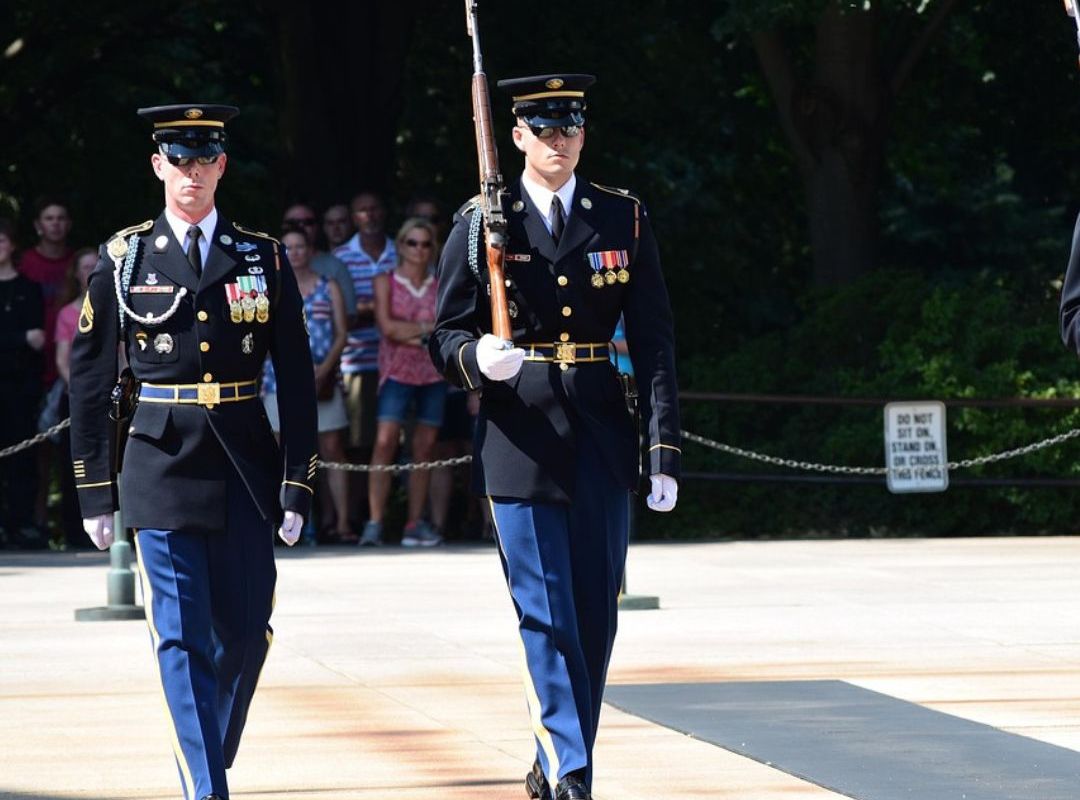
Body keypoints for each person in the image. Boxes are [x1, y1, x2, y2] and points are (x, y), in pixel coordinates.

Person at [429, 74, 680, 800]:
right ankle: (574, 773)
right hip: (520, 436)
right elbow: (442, 334)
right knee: (545, 613)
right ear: (516, 138)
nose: (559, 141)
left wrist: (663, 448)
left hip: (602, 432)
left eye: (569, 126)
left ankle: (553, 757)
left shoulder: (621, 219)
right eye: (543, 129)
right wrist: (476, 358)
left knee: (594, 619)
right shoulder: (483, 222)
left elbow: (656, 341)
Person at [68, 103, 317, 800]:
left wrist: (298, 480)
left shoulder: (261, 257)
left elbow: (295, 378)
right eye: (179, 159)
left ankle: (206, 753)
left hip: (243, 462)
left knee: (243, 635)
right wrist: (94, 489)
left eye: (205, 158)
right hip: (160, 463)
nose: (192, 172)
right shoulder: (125, 259)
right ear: (157, 166)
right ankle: (206, 788)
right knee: (179, 638)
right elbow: (87, 383)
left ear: (222, 167)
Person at [262, 227, 352, 543]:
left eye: (300, 247)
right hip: (275, 380)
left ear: (311, 250)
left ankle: (339, 523)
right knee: (276, 451)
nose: (295, 253)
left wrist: (323, 370)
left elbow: (342, 332)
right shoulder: (272, 286)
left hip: (324, 380)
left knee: (331, 450)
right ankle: (278, 520)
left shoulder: (329, 287)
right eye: (288, 248)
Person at [364, 218, 447, 547]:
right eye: (412, 243)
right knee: (384, 443)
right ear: (400, 245)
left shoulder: (439, 284)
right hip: (395, 372)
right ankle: (374, 522)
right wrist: (424, 330)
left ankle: (414, 522)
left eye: (425, 244)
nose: (419, 250)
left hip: (432, 374)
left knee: (425, 448)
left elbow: (440, 329)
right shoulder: (385, 281)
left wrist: (413, 332)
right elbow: (387, 328)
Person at [333, 190, 396, 526]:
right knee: (358, 444)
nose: (369, 216)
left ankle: (384, 518)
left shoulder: (401, 251)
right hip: (356, 361)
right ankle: (355, 519)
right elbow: (342, 311)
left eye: (374, 209)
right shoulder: (341, 256)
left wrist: (374, 310)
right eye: (361, 211)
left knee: (394, 444)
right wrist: (384, 309)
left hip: (400, 360)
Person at [0, 218, 47, 549]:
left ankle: (21, 524)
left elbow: (40, 340)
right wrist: (19, 338)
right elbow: (27, 337)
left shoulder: (28, 289)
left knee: (22, 460)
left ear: (12, 245)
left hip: (20, 388)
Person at [53, 247, 99, 548]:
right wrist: (80, 393)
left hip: (112, 397)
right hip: (76, 397)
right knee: (75, 468)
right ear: (76, 273)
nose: (90, 272)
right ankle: (73, 533)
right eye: (85, 267)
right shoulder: (68, 312)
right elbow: (62, 360)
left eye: (95, 266)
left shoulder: (117, 309)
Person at [282, 203, 357, 325]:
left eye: (308, 222)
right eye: (293, 223)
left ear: (318, 226)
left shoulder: (335, 266)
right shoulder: (270, 276)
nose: (300, 226)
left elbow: (349, 317)